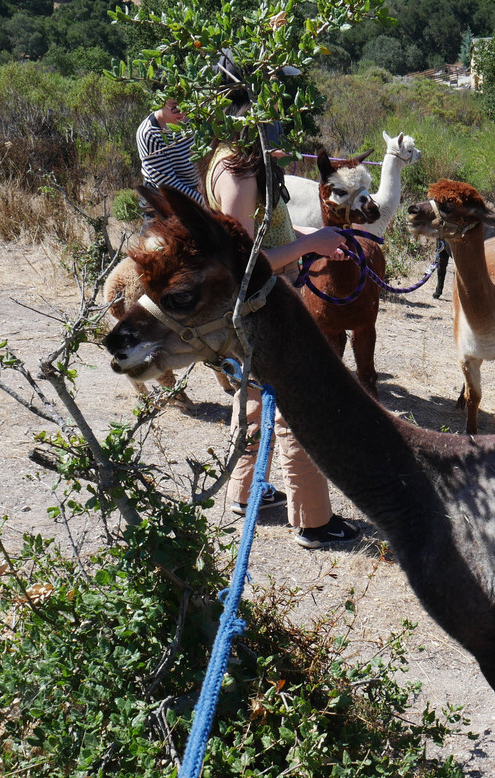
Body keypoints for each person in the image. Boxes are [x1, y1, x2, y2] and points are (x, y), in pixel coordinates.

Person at [204, 112, 362, 549]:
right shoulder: (238, 174)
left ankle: (246, 491)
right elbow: (243, 263)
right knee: (298, 405)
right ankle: (313, 522)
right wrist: (311, 246)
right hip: (261, 308)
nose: (282, 129)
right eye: (274, 115)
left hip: (264, 304)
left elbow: (259, 237)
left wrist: (315, 234)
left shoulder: (243, 164)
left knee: (251, 396)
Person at [136, 98, 204, 227]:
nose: (183, 112)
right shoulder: (149, 134)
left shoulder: (195, 117)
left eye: (186, 104)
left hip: (199, 194)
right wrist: (207, 203)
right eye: (175, 107)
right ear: (159, 101)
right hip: (164, 203)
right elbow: (169, 186)